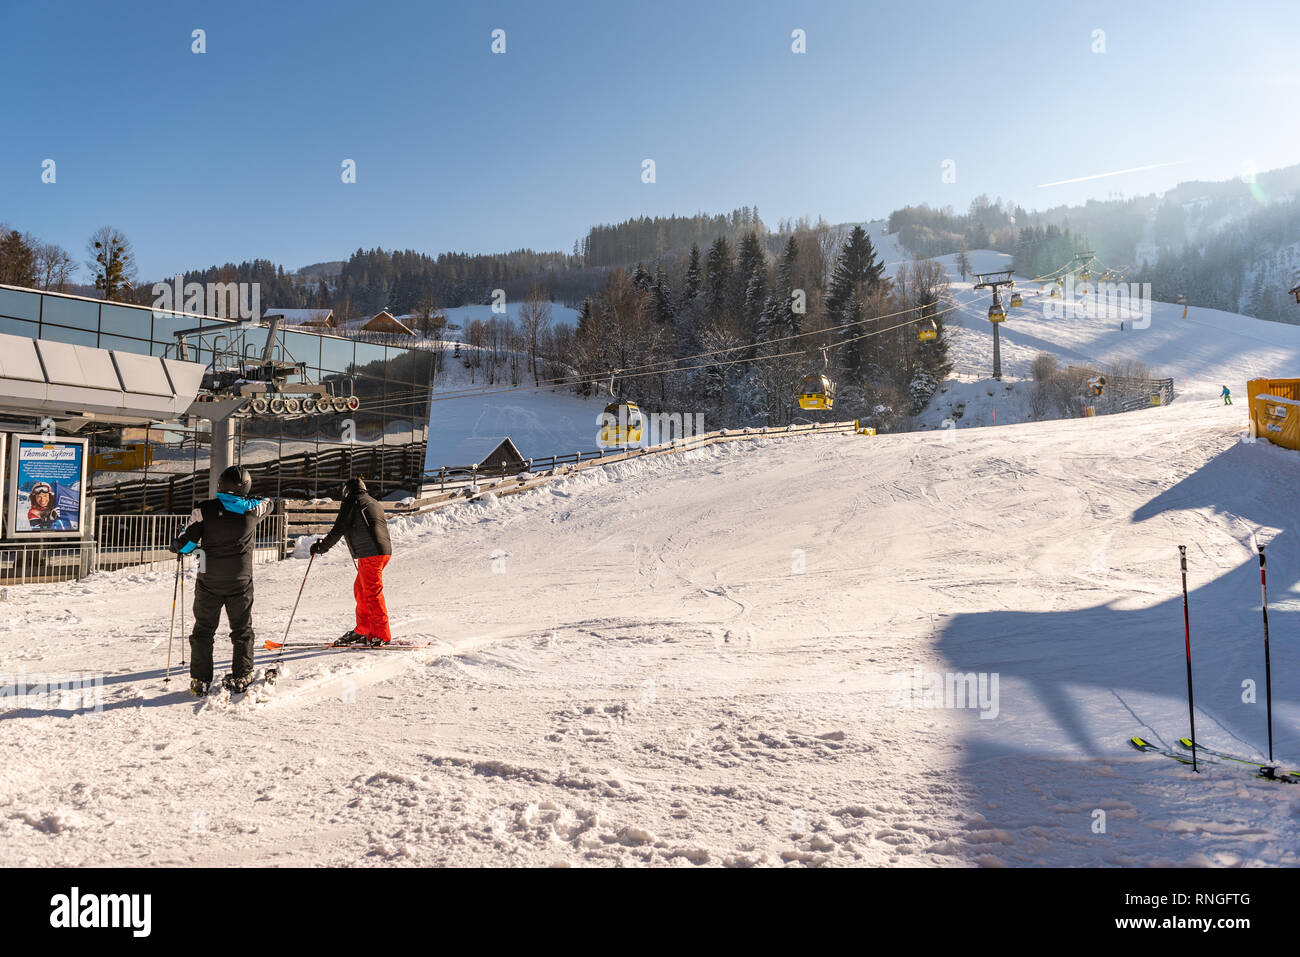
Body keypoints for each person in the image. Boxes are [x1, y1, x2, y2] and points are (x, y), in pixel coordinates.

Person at [169, 465, 273, 696]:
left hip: (209, 578)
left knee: (204, 631)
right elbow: (269, 502)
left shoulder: (204, 509)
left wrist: (176, 543)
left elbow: (186, 545)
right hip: (241, 579)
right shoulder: (253, 510)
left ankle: (200, 680)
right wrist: (248, 498)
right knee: (242, 630)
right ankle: (242, 675)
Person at [311, 476, 392, 646]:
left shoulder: (353, 501)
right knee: (361, 589)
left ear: (346, 491)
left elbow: (339, 528)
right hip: (381, 552)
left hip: (370, 553)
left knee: (371, 593)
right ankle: (365, 628)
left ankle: (381, 634)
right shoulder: (372, 501)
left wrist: (322, 547)